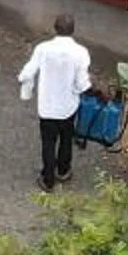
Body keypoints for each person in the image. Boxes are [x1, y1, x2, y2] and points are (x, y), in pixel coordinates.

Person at [19, 14, 92, 193]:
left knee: (48, 143)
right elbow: (83, 83)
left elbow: (29, 72)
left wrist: (24, 84)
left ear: (55, 28)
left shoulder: (43, 49)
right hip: (68, 105)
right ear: (73, 30)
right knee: (66, 139)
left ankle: (48, 179)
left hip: (47, 106)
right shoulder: (80, 52)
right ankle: (63, 170)